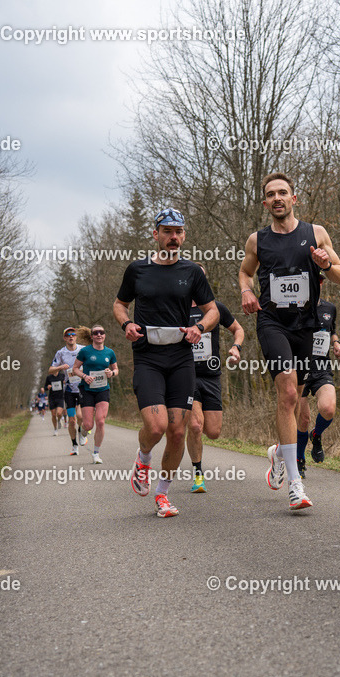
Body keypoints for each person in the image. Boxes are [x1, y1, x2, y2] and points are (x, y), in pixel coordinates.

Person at [239, 172, 340, 511]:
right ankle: (295, 485)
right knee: (287, 392)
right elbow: (245, 271)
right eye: (271, 194)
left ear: (294, 198)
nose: (277, 198)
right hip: (273, 323)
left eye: (283, 192)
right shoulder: (257, 240)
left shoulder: (315, 233)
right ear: (265, 202)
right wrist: (246, 290)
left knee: (299, 393)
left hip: (308, 325)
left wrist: (326, 264)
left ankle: (278, 453)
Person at [114, 208, 218, 517]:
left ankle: (162, 495)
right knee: (157, 427)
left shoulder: (192, 272)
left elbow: (212, 310)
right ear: (156, 234)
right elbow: (120, 304)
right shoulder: (137, 270)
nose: (174, 237)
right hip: (148, 358)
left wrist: (199, 327)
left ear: (184, 235)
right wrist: (126, 324)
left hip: (181, 358)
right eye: (167, 231)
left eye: (179, 232)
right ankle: (143, 458)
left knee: (177, 432)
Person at [186, 265, 244, 493]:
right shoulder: (176, 309)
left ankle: (196, 456)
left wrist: (236, 348)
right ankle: (198, 474)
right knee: (195, 426)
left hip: (211, 376)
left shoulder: (216, 309)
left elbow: (238, 329)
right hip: (186, 376)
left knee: (213, 431)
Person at [296, 290, 340, 478]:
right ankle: (299, 460)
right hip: (298, 367)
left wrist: (336, 343)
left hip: (322, 367)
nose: (319, 284)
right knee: (303, 419)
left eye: (321, 280)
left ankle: (316, 435)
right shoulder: (295, 306)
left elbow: (332, 330)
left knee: (328, 408)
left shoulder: (329, 308)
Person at [71, 325, 119, 464]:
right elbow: (75, 369)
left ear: (105, 335)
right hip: (87, 390)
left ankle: (96, 453)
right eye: (96, 333)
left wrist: (112, 373)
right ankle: (82, 431)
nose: (99, 335)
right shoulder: (85, 351)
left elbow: (116, 369)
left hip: (103, 389)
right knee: (88, 425)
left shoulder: (110, 352)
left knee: (101, 421)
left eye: (101, 332)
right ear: (91, 336)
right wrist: (84, 376)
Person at [49, 327, 84, 454]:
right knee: (72, 420)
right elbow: (50, 370)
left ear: (76, 337)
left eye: (73, 334)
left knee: (80, 416)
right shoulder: (61, 353)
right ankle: (74, 444)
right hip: (69, 390)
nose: (71, 336)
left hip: (82, 388)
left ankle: (81, 430)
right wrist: (59, 367)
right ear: (64, 338)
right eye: (68, 335)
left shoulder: (83, 350)